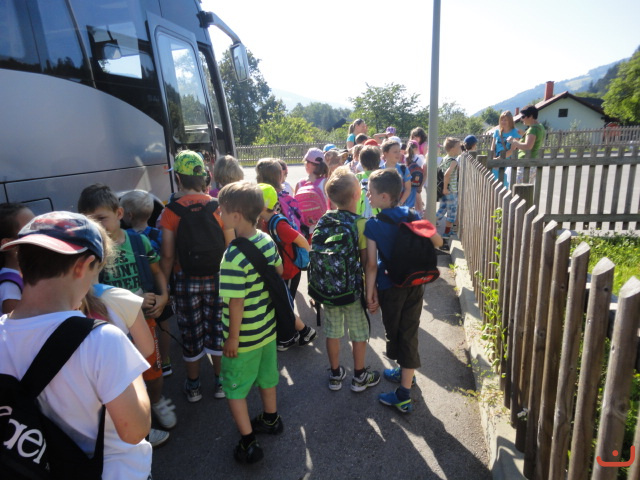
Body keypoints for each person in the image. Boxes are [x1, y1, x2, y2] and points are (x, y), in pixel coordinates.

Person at [0, 211, 153, 479]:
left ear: (21, 266)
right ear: (84, 266)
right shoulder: (102, 340)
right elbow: (135, 430)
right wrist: (133, 371)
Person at [77, 184, 176, 434]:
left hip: (144, 321)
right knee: (122, 375)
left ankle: (155, 401)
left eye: (101, 218)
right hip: (111, 327)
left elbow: (157, 271)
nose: (97, 225)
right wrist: (134, 300)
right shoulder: (90, 251)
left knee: (153, 369)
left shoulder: (139, 241)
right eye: (90, 220)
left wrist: (163, 296)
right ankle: (134, 416)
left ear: (119, 213)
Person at [364, 170, 443, 413]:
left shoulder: (373, 225)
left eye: (371, 192)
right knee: (409, 329)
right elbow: (438, 241)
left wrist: (369, 294)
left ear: (384, 197)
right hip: (416, 283)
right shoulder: (411, 214)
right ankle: (406, 372)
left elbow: (371, 265)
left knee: (398, 333)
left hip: (391, 287)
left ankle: (403, 395)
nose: (368, 196)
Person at [159, 151, 235, 402]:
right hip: (217, 278)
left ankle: (193, 386)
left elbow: (167, 255)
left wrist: (164, 286)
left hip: (185, 280)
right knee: (217, 329)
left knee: (191, 332)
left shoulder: (170, 211)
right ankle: (220, 382)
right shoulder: (218, 206)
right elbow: (230, 247)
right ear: (204, 176)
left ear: (178, 179)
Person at [217, 181, 284, 464]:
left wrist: (232, 338)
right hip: (267, 329)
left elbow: (236, 302)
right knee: (267, 378)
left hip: (243, 337)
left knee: (235, 388)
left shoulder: (232, 256)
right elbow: (278, 271)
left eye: (221, 209)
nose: (218, 213)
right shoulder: (266, 240)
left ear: (235, 216)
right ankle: (271, 419)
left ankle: (248, 443)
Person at [318, 167, 381, 392]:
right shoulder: (361, 224)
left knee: (333, 332)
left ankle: (335, 375)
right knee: (358, 332)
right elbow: (368, 264)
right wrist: (371, 293)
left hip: (329, 289)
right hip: (352, 291)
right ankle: (359, 376)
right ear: (357, 195)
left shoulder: (324, 220)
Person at [257, 183, 317, 351]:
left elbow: (301, 240)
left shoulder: (278, 225)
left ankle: (296, 335)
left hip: (290, 272)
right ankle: (294, 333)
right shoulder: (265, 221)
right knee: (282, 303)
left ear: (262, 205)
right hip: (281, 270)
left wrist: (310, 257)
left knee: (285, 305)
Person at [120, 189, 173, 377]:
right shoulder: (157, 234)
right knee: (163, 324)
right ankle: (164, 360)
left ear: (128, 215)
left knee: (142, 326)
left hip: (139, 290)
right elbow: (166, 257)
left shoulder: (125, 237)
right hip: (159, 286)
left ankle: (145, 360)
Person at [0, 202, 34, 314]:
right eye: (31, 230)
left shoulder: (27, 275)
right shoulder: (10, 285)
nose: (39, 233)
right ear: (8, 244)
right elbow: (16, 324)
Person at [510, 105, 546, 183]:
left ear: (531, 116)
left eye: (523, 116)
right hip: (533, 162)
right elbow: (535, 142)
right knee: (528, 187)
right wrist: (524, 134)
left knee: (519, 188)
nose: (521, 119)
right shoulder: (540, 127)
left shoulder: (532, 129)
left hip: (526, 164)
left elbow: (528, 146)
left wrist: (513, 141)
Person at [436, 137, 462, 241]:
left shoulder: (445, 159)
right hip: (451, 191)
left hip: (445, 190)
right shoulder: (453, 161)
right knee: (452, 212)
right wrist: (446, 188)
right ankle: (447, 232)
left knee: (442, 210)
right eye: (458, 146)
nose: (460, 148)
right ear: (452, 149)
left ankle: (430, 224)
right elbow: (447, 175)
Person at [490, 111, 521, 186]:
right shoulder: (497, 132)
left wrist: (499, 159)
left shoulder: (515, 132)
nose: (503, 122)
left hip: (508, 164)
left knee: (505, 185)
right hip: (496, 164)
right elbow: (492, 148)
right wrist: (494, 159)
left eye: (505, 120)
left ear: (510, 121)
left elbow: (512, 150)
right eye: (502, 120)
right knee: (494, 185)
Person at [381, 139, 412, 207]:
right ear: (385, 153)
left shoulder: (403, 169)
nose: (399, 154)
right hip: (383, 207)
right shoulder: (379, 171)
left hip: (399, 206)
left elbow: (408, 188)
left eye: (399, 151)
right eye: (395, 152)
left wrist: (400, 203)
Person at [356, 145, 382, 218]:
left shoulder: (357, 177)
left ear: (361, 162)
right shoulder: (382, 176)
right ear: (379, 160)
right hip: (379, 215)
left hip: (360, 215)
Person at [405, 140, 427, 212]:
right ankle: (420, 212)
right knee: (417, 196)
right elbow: (423, 171)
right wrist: (421, 185)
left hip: (407, 181)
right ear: (416, 149)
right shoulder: (419, 158)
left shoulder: (405, 158)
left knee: (409, 199)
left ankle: (410, 211)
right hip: (416, 181)